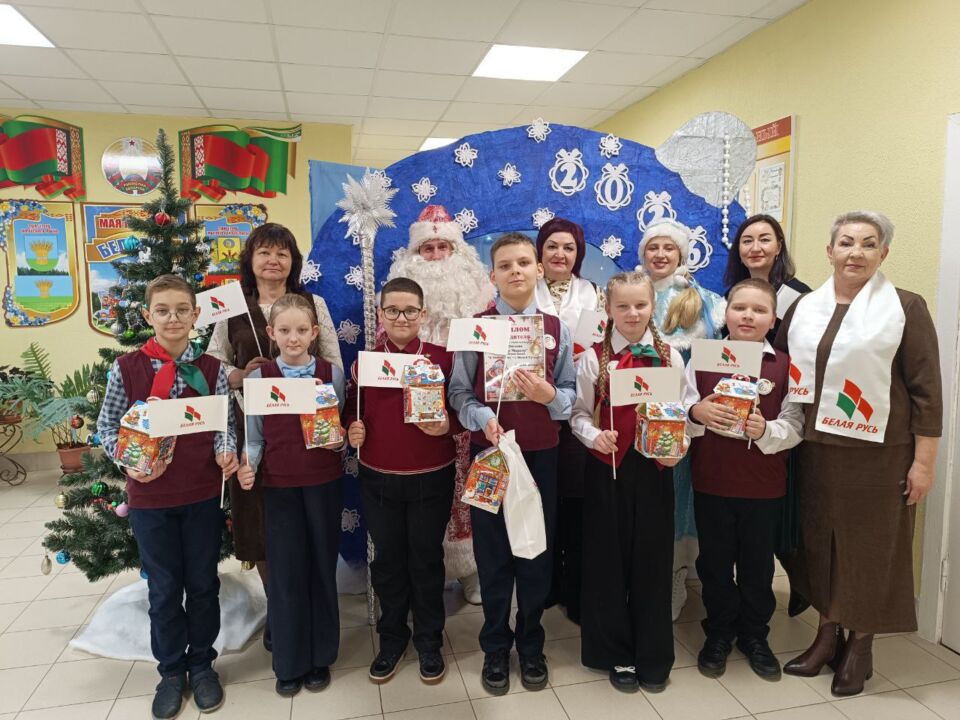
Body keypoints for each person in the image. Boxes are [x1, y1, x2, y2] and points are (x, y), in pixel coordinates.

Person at [775, 211, 942, 696]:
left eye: (869, 244)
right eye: (846, 243)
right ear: (830, 252)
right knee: (821, 545)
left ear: (883, 253)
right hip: (815, 450)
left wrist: (924, 463)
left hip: (880, 454)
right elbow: (781, 368)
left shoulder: (905, 307)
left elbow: (927, 392)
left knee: (870, 548)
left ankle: (861, 644)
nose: (856, 252)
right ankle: (827, 634)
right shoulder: (804, 307)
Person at [98, 274, 239, 720]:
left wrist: (226, 451)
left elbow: (224, 425)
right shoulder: (126, 369)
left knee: (203, 584)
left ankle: (202, 665)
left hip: (201, 496)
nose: (173, 318)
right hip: (150, 500)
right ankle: (171, 671)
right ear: (148, 316)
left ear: (196, 315)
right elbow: (107, 427)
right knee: (163, 590)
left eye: (182, 310)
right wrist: (129, 463)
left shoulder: (212, 370)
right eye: (162, 310)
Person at [448, 233, 576, 695]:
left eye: (524, 263)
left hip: (541, 455)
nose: (515, 271)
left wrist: (549, 396)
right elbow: (458, 393)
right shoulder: (475, 328)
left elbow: (570, 398)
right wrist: (481, 416)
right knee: (494, 554)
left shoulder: (557, 329)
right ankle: (495, 646)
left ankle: (532, 642)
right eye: (505, 265)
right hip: (491, 455)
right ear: (493, 275)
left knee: (536, 551)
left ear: (539, 270)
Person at [207, 222, 342, 649]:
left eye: (282, 253)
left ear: (293, 261)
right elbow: (211, 362)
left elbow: (334, 360)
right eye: (264, 252)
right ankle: (279, 609)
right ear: (250, 259)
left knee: (309, 529)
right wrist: (238, 375)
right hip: (253, 430)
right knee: (261, 526)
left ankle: (308, 612)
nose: (273, 260)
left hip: (307, 434)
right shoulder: (230, 306)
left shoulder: (313, 304)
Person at [570, 270, 688, 693]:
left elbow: (684, 410)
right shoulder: (592, 360)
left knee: (653, 562)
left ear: (653, 306)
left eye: (640, 304)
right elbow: (578, 414)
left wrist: (680, 446)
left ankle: (653, 654)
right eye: (623, 305)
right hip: (608, 470)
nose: (632, 313)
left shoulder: (670, 357)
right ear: (608, 309)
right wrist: (594, 436)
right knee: (607, 562)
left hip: (655, 470)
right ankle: (613, 652)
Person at [683, 278, 803, 681]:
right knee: (714, 563)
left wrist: (765, 430)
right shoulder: (703, 357)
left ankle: (754, 635)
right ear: (726, 313)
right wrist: (696, 413)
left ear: (773, 319)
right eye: (739, 308)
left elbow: (796, 425)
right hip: (712, 481)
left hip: (763, 485)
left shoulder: (784, 365)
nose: (748, 316)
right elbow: (681, 406)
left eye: (759, 310)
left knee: (757, 566)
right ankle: (719, 631)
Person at [345, 277, 461, 685]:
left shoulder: (443, 360)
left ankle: (429, 640)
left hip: (432, 475)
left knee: (426, 560)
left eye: (410, 310)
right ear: (380, 314)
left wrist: (447, 425)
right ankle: (392, 638)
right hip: (378, 478)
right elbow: (350, 409)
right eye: (392, 310)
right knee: (388, 562)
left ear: (423, 314)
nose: (401, 317)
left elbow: (462, 410)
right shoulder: (364, 364)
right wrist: (352, 427)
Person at [237, 294, 346, 697]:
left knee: (321, 568)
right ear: (271, 333)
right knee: (285, 573)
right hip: (279, 488)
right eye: (285, 330)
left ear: (315, 332)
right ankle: (289, 661)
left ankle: (320, 657)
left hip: (323, 484)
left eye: (302, 330)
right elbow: (254, 438)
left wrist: (338, 441)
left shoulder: (331, 375)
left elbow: (338, 432)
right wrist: (247, 465)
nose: (294, 338)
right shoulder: (258, 380)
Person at [387, 204, 496, 604]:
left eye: (442, 248)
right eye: (427, 249)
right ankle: (425, 574)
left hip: (469, 415)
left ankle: (472, 569)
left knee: (472, 492)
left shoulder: (481, 301)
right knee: (424, 501)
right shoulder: (397, 308)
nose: (435, 257)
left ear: (458, 252)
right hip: (418, 422)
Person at [638, 219, 726, 619]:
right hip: (636, 408)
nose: (660, 254)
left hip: (683, 412)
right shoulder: (630, 293)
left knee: (678, 492)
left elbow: (716, 361)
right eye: (653, 247)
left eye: (668, 248)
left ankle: (675, 572)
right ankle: (643, 569)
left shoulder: (702, 300)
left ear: (681, 254)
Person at [533, 217, 603, 624]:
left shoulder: (593, 293)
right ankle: (544, 585)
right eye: (552, 246)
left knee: (576, 501)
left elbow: (602, 344)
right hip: (535, 408)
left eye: (569, 248)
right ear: (540, 252)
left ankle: (575, 586)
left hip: (579, 407)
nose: (560, 254)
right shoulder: (526, 289)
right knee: (541, 501)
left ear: (579, 254)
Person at [723, 214, 811, 342]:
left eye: (764, 240)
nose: (755, 248)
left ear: (778, 247)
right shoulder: (731, 294)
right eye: (747, 241)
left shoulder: (799, 295)